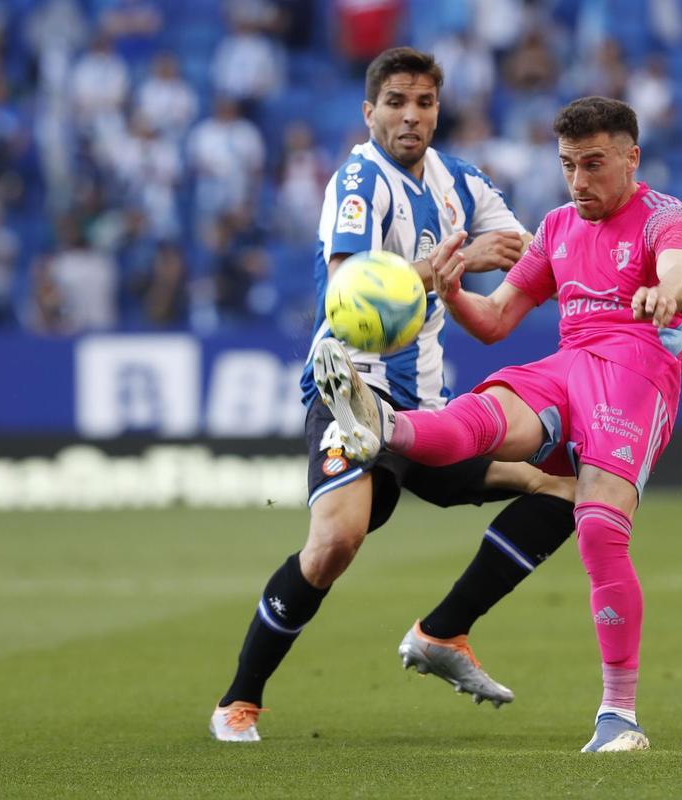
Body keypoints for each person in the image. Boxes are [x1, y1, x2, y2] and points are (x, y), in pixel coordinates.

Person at [314, 96, 682, 752]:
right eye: (567, 166)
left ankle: (619, 715)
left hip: (635, 369)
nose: (578, 182)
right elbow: (495, 321)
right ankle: (380, 426)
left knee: (599, 529)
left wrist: (666, 294)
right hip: (570, 362)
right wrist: (450, 293)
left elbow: (681, 270)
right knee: (483, 417)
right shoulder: (556, 227)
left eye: (593, 165)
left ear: (631, 158)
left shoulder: (668, 219)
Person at [209, 47, 576, 742]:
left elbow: (530, 255)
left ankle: (443, 633)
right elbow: (352, 286)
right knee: (335, 544)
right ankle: (239, 700)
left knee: (566, 487)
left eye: (426, 103)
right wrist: (459, 261)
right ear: (369, 110)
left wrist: (533, 265)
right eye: (398, 102)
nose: (412, 116)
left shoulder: (459, 180)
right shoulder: (358, 180)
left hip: (429, 412)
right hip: (354, 391)